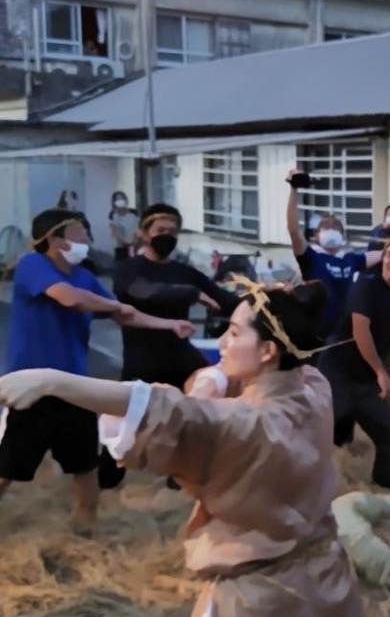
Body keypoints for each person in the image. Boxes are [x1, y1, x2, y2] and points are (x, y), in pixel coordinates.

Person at [0, 281, 383, 617]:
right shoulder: (315, 392)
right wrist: (220, 373)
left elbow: (162, 408)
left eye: (234, 333)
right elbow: (279, 371)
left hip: (260, 609)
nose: (222, 342)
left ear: (268, 350)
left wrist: (53, 382)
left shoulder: (244, 426)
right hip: (328, 592)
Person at [0, 209, 194, 530]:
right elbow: (69, 299)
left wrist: (169, 324)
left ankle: (86, 527)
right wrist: (116, 305)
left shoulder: (85, 277)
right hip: (34, 387)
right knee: (9, 465)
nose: (87, 239)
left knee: (85, 465)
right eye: (80, 232)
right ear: (55, 239)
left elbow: (125, 315)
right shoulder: (33, 264)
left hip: (75, 387)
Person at [103, 203, 241, 490]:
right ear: (144, 234)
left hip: (180, 356)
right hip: (143, 359)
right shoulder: (129, 269)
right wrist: (191, 294)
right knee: (127, 417)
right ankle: (107, 475)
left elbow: (225, 300)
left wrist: (265, 296)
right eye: (161, 230)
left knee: (200, 411)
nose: (167, 236)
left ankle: (181, 475)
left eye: (173, 231)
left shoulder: (185, 272)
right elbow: (144, 293)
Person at [323, 236, 390, 489]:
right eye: (389, 254)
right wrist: (381, 374)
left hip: (367, 380)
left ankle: (383, 493)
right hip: (337, 371)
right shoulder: (366, 285)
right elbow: (361, 331)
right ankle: (320, 492)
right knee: (332, 432)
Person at [286, 171, 381, 335]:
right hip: (315, 328)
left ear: (342, 236)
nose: (331, 229)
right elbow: (293, 229)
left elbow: (386, 254)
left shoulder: (350, 259)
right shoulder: (310, 255)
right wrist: (294, 190)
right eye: (325, 227)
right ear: (316, 235)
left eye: (335, 227)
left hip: (344, 329)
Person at [108, 190, 139, 263]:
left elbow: (138, 227)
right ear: (114, 202)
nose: (120, 200)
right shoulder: (113, 215)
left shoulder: (134, 212)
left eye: (122, 198)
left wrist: (135, 240)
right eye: (118, 199)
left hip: (136, 245)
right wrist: (126, 241)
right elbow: (115, 232)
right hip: (121, 248)